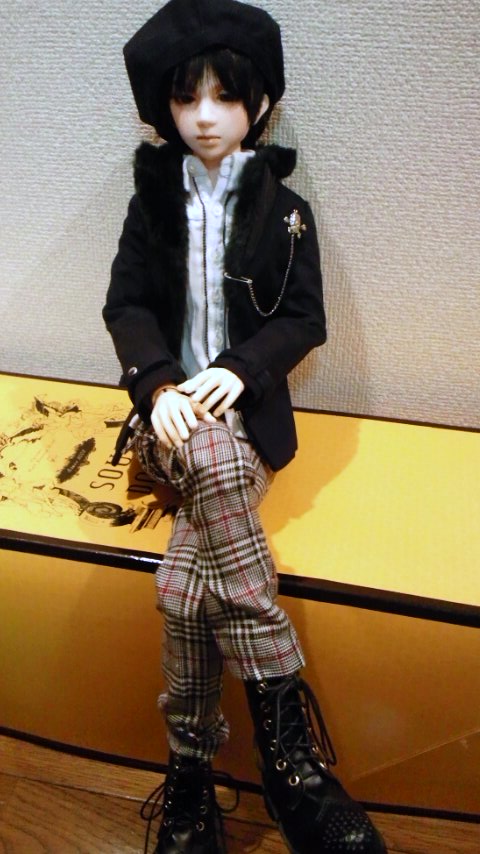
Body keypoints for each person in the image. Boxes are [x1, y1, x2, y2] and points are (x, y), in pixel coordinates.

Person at [104, 1, 386, 852]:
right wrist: (157, 386)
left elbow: (305, 319)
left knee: (182, 591)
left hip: (247, 427)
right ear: (163, 107)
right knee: (203, 452)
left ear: (258, 104)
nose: (204, 117)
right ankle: (290, 757)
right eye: (186, 98)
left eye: (225, 97)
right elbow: (125, 306)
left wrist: (241, 368)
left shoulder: (285, 210)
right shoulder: (149, 206)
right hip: (168, 427)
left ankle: (191, 773)